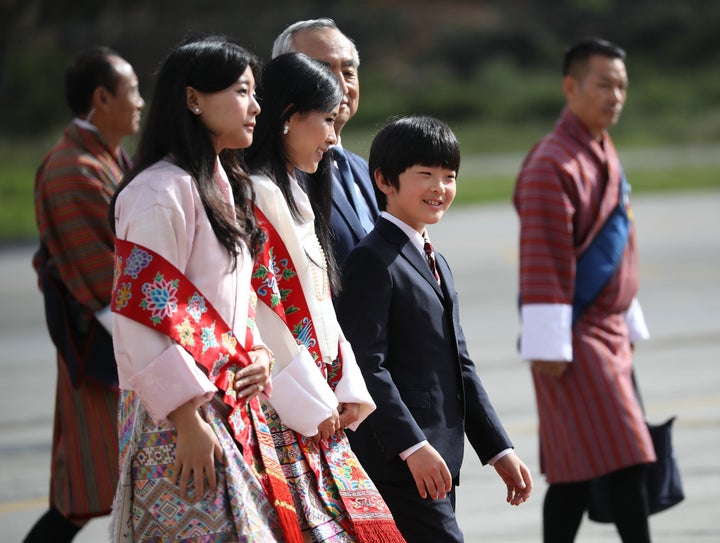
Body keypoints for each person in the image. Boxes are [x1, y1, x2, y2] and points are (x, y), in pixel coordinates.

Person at [108, 36, 302, 542]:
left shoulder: (223, 184)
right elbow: (140, 317)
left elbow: (233, 306)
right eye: (241, 91)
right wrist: (187, 420)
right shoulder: (157, 193)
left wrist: (258, 354)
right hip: (178, 419)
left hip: (229, 405)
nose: (256, 106)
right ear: (194, 99)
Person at [335, 115, 533, 543]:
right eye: (425, 174)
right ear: (384, 180)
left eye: (449, 176)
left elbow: (460, 365)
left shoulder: (435, 260)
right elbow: (367, 366)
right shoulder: (371, 260)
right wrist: (412, 446)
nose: (439, 187)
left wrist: (498, 448)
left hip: (440, 459)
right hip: (399, 459)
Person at [244, 52, 405, 543]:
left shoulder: (293, 189)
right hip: (284, 411)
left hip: (320, 404)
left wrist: (346, 384)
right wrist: (313, 400)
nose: (334, 138)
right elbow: (266, 313)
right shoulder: (253, 194)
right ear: (290, 116)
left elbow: (319, 304)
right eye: (328, 121)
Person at [513, 37, 655, 542]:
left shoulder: (599, 147)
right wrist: (550, 343)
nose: (615, 96)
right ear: (570, 87)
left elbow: (614, 246)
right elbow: (542, 259)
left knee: (579, 471)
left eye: (621, 86)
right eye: (603, 84)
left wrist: (628, 316)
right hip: (576, 332)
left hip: (607, 327)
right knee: (626, 461)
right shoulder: (553, 162)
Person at [27, 45, 144, 543]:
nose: (141, 102)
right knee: (87, 494)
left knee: (124, 488)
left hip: (122, 352)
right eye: (133, 90)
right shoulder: (71, 169)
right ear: (102, 98)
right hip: (105, 355)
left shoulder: (105, 158)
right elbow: (102, 285)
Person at [272, 18, 379, 266]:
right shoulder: (273, 175)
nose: (340, 86)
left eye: (349, 72)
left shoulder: (365, 170)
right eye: (323, 71)